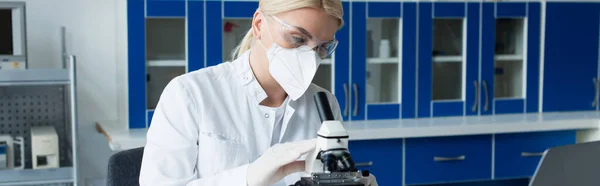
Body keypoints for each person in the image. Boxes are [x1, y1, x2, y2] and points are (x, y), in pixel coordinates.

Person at [139, 0, 377, 185]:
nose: (309, 57)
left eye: (322, 47)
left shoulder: (325, 104)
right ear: (259, 24)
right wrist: (249, 177)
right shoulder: (189, 94)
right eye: (297, 39)